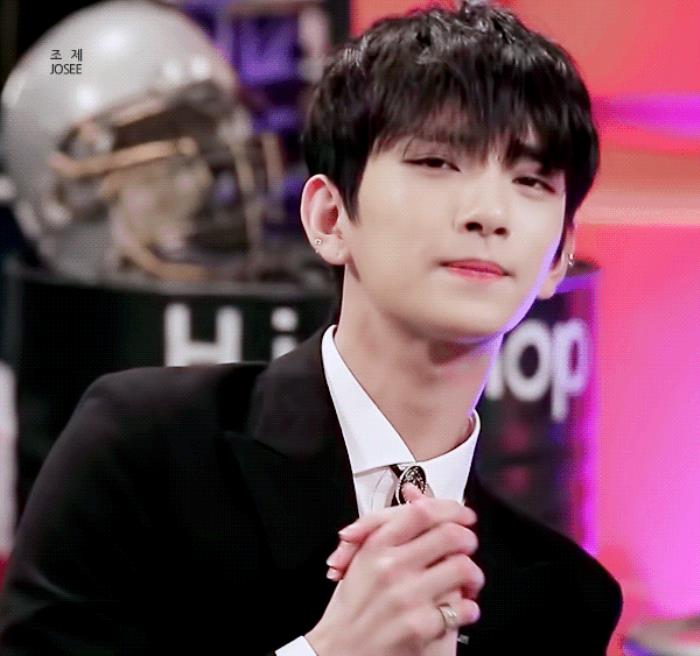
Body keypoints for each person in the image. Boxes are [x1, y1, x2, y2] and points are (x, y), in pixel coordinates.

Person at [0, 3, 622, 655]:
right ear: (330, 217)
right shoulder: (142, 450)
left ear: (559, 254)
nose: (488, 212)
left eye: (530, 179)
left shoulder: (563, 602)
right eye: (438, 162)